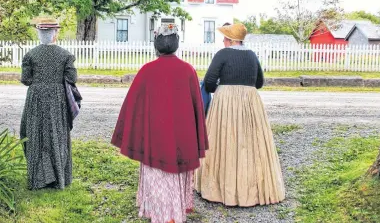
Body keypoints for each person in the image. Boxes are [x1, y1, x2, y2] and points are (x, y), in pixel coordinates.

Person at [111, 24, 208, 223]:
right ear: (176, 44)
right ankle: (173, 213)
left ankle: (162, 213)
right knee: (175, 171)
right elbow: (197, 107)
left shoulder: (147, 70)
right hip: (180, 138)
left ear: (157, 44)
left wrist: (130, 133)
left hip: (155, 140)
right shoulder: (188, 70)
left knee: (157, 172)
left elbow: (132, 106)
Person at [195, 23, 285, 207]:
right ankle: (251, 189)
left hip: (225, 101)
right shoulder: (252, 55)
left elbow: (210, 81)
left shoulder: (222, 54)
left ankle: (221, 188)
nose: (223, 40)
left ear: (229, 40)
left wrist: (220, 87)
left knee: (224, 140)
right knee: (250, 143)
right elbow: (259, 82)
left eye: (224, 37)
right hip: (250, 101)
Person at [20, 17, 78, 190]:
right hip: (57, 99)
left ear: (39, 33)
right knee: (57, 135)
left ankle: (38, 179)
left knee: (34, 134)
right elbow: (71, 78)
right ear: (55, 34)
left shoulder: (30, 55)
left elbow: (26, 79)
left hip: (36, 98)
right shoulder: (66, 55)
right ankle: (58, 178)